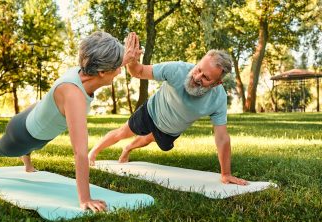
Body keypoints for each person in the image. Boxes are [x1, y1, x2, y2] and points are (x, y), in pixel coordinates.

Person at [0, 31, 140, 212]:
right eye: (117, 67)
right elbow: (80, 152)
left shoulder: (84, 70)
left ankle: (26, 158)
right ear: (102, 71)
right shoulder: (74, 95)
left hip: (36, 115)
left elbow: (106, 65)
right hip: (22, 135)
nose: (120, 71)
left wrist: (125, 58)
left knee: (37, 143)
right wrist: (85, 198)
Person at [89, 41, 248, 185]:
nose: (197, 77)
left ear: (217, 83)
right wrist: (132, 59)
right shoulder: (177, 69)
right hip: (151, 112)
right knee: (122, 132)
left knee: (148, 140)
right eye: (198, 69)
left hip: (170, 131)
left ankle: (128, 148)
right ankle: (93, 153)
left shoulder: (218, 99)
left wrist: (226, 174)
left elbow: (221, 137)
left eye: (205, 77)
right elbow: (138, 71)